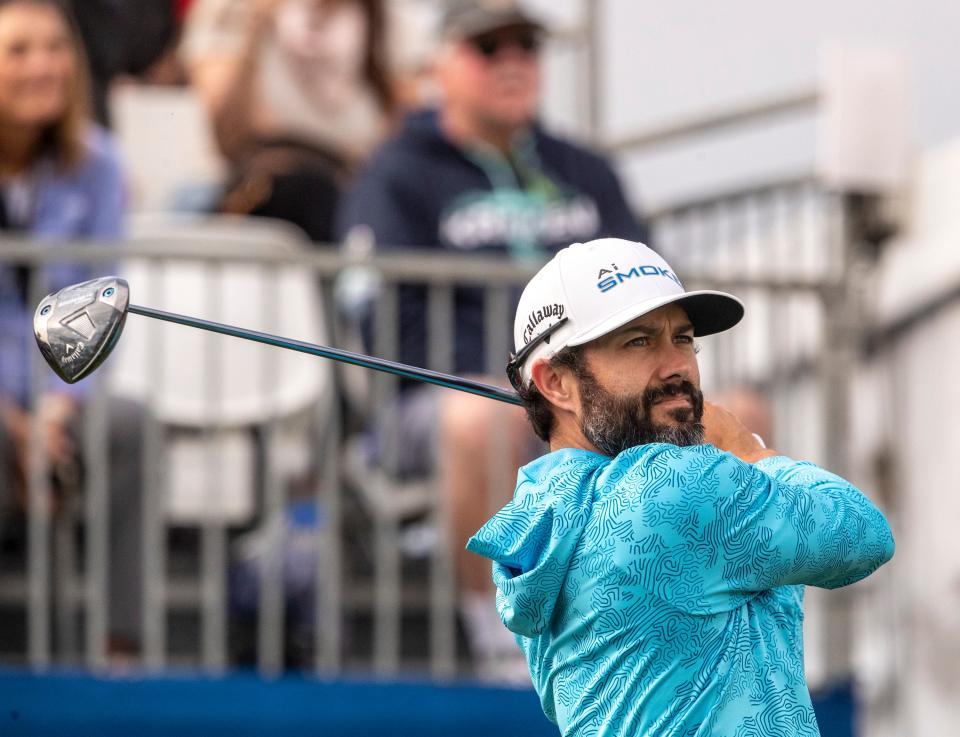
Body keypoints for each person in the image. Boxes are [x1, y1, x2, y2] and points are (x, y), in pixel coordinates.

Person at [466, 237, 895, 734]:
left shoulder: (537, 521)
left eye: (684, 339)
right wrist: (748, 448)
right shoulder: (673, 486)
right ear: (556, 383)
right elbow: (863, 534)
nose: (678, 368)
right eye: (639, 341)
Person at [336, 0, 647, 677]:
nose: (512, 61)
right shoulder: (395, 174)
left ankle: (717, 636)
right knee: (482, 414)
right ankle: (504, 644)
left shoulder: (587, 169)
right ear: (437, 66)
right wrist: (528, 387)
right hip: (440, 401)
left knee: (733, 413)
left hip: (581, 393)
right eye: (488, 48)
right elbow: (381, 320)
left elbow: (648, 290)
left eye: (525, 47)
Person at [0, 0, 143, 656]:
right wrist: (13, 421)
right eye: (19, 51)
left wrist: (61, 407)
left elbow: (103, 300)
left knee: (129, 423)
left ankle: (120, 646)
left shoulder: (100, 164)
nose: (44, 66)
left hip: (59, 388)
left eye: (55, 48)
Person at [180, 0, 399, 242]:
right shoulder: (244, 9)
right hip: (272, 175)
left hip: (347, 182)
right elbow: (227, 134)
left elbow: (394, 119)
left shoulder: (373, 13)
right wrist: (255, 26)